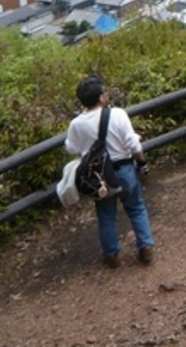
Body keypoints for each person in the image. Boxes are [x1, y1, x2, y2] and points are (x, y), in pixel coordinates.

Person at [65, 76, 155, 267]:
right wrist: (142, 163)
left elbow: (71, 148)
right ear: (101, 98)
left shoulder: (76, 124)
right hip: (124, 169)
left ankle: (112, 255)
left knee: (106, 215)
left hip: (99, 176)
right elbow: (133, 143)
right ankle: (145, 247)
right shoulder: (118, 114)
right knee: (136, 207)